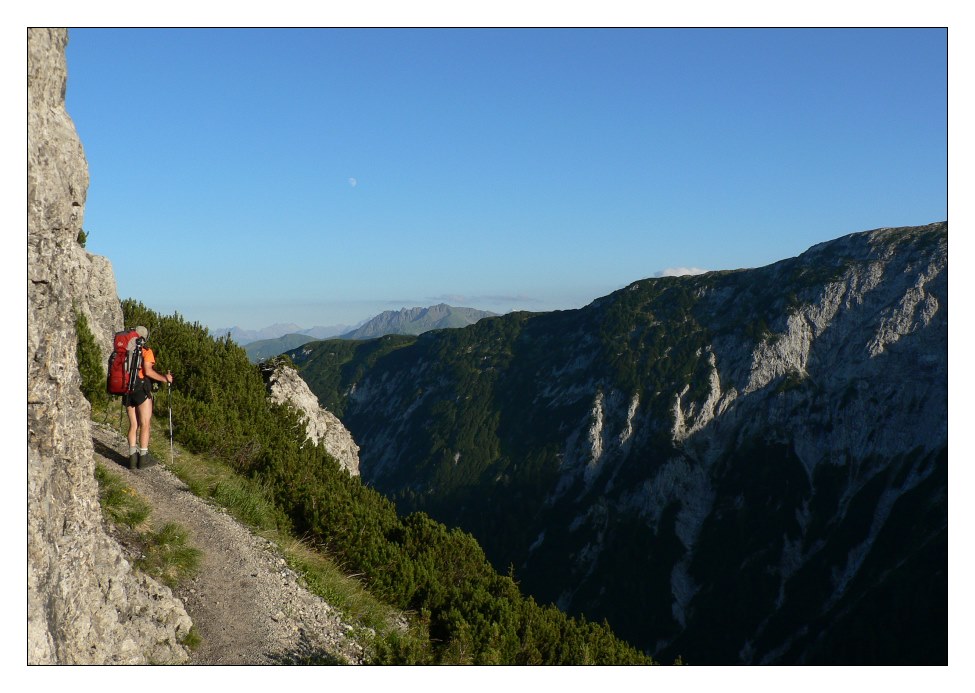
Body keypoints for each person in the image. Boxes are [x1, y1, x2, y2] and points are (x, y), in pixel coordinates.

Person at [122, 326, 173, 469]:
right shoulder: (146, 351)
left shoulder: (125, 349)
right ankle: (143, 458)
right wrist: (165, 379)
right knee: (145, 423)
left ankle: (132, 458)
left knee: (133, 424)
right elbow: (148, 371)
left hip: (126, 388)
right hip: (140, 388)